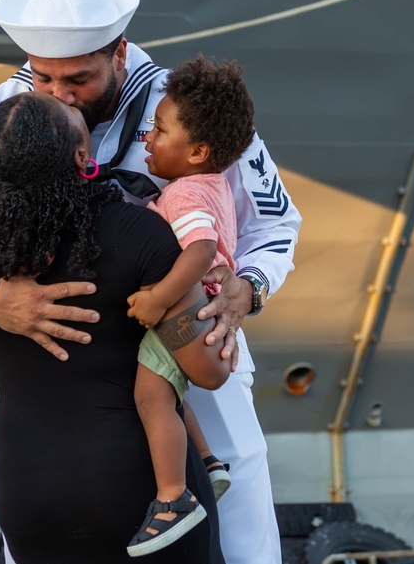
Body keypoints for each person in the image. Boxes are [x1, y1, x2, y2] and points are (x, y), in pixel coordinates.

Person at [0, 0, 302, 564]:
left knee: (237, 525)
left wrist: (250, 289)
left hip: (190, 347)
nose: (59, 95)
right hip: (60, 371)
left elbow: (274, 222)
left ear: (120, 53)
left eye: (78, 78)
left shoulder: (194, 112)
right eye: (43, 77)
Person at [0, 91, 227, 562]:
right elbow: (208, 370)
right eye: (67, 113)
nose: (62, 95)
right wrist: (229, 305)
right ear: (82, 157)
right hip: (140, 491)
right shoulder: (139, 233)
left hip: (27, 495)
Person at [125, 56, 255, 557]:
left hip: (189, 317)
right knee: (171, 389)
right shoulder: (214, 184)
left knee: (150, 395)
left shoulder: (183, 194)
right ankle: (209, 461)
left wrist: (159, 298)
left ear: (197, 150)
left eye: (158, 130)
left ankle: (173, 497)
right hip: (209, 321)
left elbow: (200, 251)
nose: (147, 141)